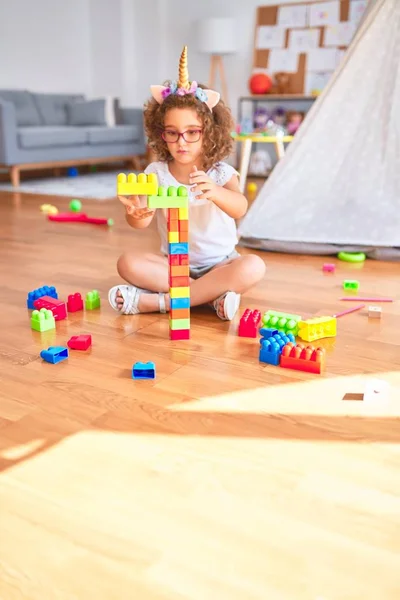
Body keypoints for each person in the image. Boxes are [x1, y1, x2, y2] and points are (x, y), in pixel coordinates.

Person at [108, 46, 266, 320]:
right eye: (173, 133)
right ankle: (209, 298)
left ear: (209, 133)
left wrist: (215, 192)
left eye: (192, 132)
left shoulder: (220, 172)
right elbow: (141, 221)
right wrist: (136, 213)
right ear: (162, 134)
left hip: (221, 264)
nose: (181, 142)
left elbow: (239, 208)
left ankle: (158, 303)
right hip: (173, 266)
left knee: (253, 266)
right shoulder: (155, 173)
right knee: (128, 263)